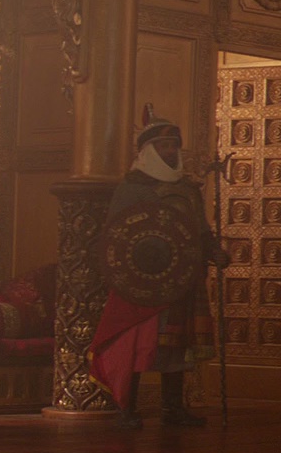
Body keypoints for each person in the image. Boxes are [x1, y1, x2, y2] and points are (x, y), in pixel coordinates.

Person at [90, 106, 223, 429]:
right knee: (136, 345)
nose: (170, 151)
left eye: (174, 145)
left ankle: (172, 407)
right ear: (148, 150)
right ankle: (126, 408)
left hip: (181, 278)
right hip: (142, 284)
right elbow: (117, 234)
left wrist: (215, 251)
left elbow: (200, 230)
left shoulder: (188, 189)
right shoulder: (132, 187)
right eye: (163, 145)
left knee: (176, 344)